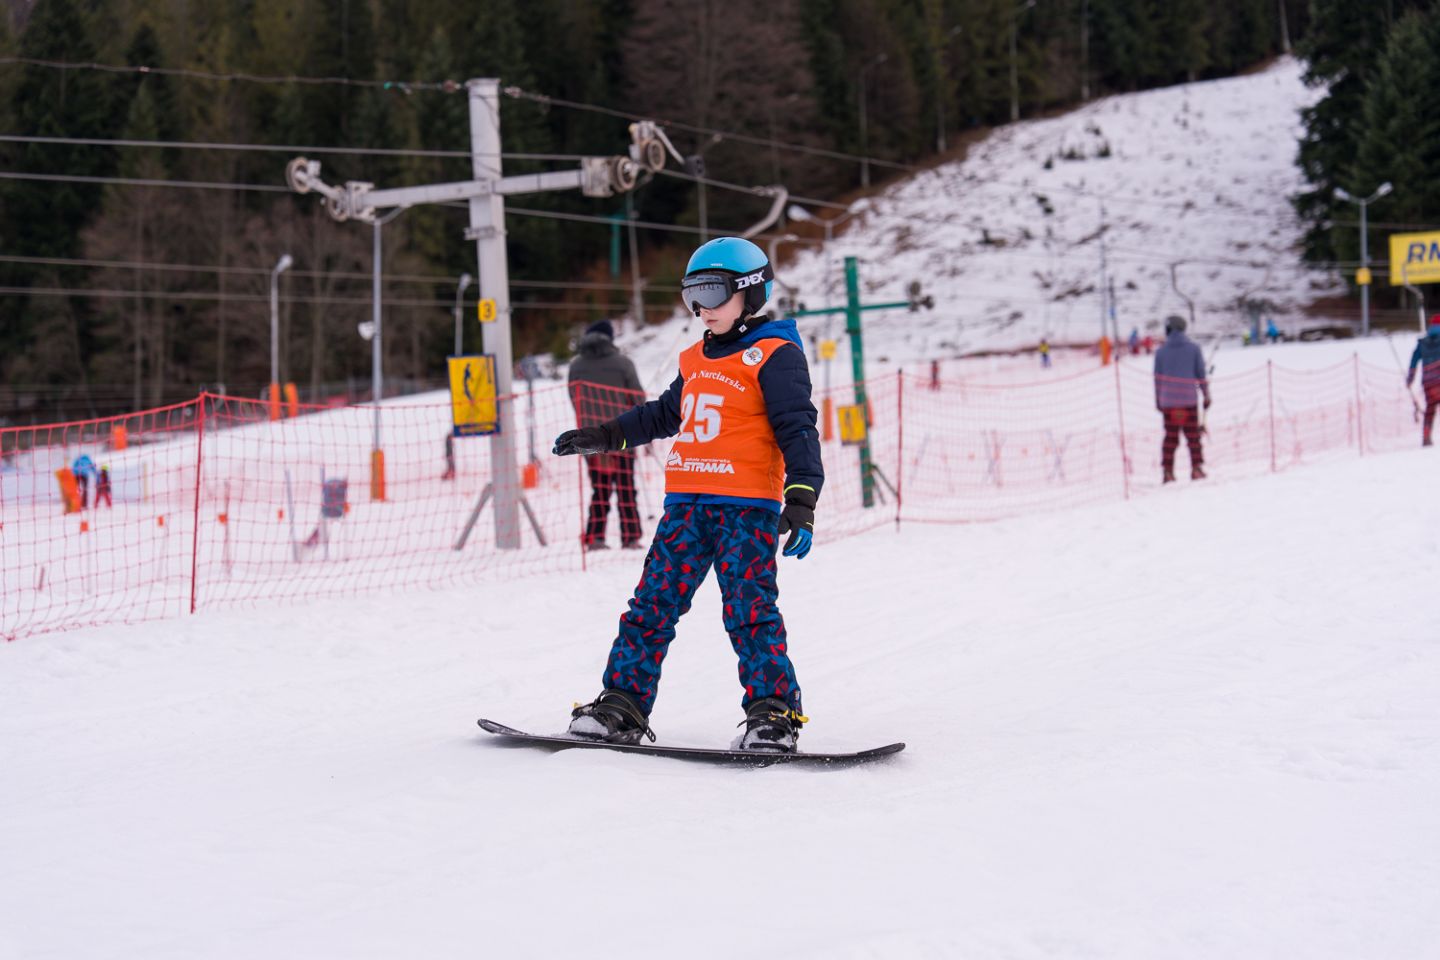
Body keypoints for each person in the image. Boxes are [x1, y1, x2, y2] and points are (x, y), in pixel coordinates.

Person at [552, 237, 822, 753]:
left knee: (750, 613)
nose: (702, 308)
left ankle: (774, 713)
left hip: (746, 509)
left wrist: (802, 499)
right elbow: (663, 414)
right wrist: (605, 436)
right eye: (692, 295)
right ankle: (622, 705)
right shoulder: (696, 358)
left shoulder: (775, 355)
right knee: (650, 607)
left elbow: (797, 427)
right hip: (685, 508)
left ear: (750, 291)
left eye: (713, 293)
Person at [567, 319, 645, 549]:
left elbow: (574, 399)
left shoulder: (575, 366)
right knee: (626, 487)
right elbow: (638, 399)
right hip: (622, 435)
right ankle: (631, 537)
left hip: (589, 438)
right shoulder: (623, 363)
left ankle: (595, 536)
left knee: (599, 489)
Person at [1154, 315, 1211, 482]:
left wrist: (1158, 400)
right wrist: (1206, 395)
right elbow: (1201, 375)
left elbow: (1157, 379)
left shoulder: (1160, 352)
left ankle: (1168, 472)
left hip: (1168, 403)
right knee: (1193, 436)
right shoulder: (1194, 349)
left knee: (1170, 437)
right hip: (1189, 401)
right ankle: (1196, 469)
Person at [1405, 315, 1440, 447]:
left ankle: (1426, 436)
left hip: (1428, 382)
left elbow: (1414, 360)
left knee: (1430, 410)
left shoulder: (1423, 342)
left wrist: (1410, 378)